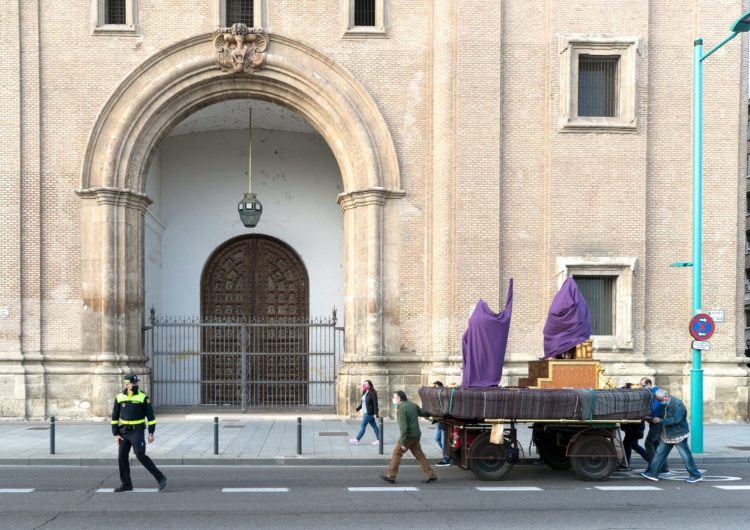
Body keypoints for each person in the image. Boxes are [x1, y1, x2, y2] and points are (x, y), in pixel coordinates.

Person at [111, 374, 167, 492]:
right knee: (122, 457)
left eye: (136, 383)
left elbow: (151, 416)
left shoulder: (143, 397)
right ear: (127, 385)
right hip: (124, 432)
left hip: (137, 430)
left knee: (140, 454)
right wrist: (115, 434)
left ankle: (160, 477)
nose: (136, 385)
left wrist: (151, 432)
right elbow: (115, 417)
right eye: (134, 383)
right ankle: (126, 484)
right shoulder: (119, 397)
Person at [640, 389, 703, 483]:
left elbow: (676, 420)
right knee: (659, 454)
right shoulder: (664, 404)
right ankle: (653, 473)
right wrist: (651, 418)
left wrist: (660, 421)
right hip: (666, 434)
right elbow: (661, 417)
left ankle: (695, 475)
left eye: (660, 400)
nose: (659, 402)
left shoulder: (678, 404)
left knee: (686, 456)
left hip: (678, 434)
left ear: (665, 397)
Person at [380, 390, 438, 484]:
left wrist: (402, 442)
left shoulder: (402, 409)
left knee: (397, 454)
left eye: (394, 398)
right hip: (416, 435)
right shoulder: (412, 404)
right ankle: (431, 475)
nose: (393, 400)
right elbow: (422, 412)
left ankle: (391, 476)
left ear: (399, 398)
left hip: (408, 436)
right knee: (420, 456)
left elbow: (403, 428)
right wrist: (433, 414)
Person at [639, 377, 670, 474]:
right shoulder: (652, 392)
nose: (643, 388)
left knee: (649, 443)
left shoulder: (656, 394)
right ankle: (664, 467)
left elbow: (655, 408)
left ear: (649, 384)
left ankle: (653, 467)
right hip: (656, 422)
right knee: (657, 445)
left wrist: (648, 414)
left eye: (643, 386)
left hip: (656, 422)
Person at [351, 379, 380, 445]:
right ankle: (379, 439)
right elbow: (363, 403)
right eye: (364, 384)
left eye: (366, 384)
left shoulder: (372, 393)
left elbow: (375, 403)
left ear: (369, 385)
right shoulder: (364, 392)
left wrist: (375, 413)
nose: (365, 385)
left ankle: (357, 439)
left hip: (369, 412)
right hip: (366, 411)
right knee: (374, 426)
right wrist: (357, 409)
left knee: (362, 425)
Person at [431, 381, 451, 466]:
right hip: (439, 421)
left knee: (443, 440)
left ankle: (446, 458)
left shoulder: (443, 397)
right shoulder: (437, 397)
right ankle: (448, 454)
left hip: (444, 422)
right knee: (437, 438)